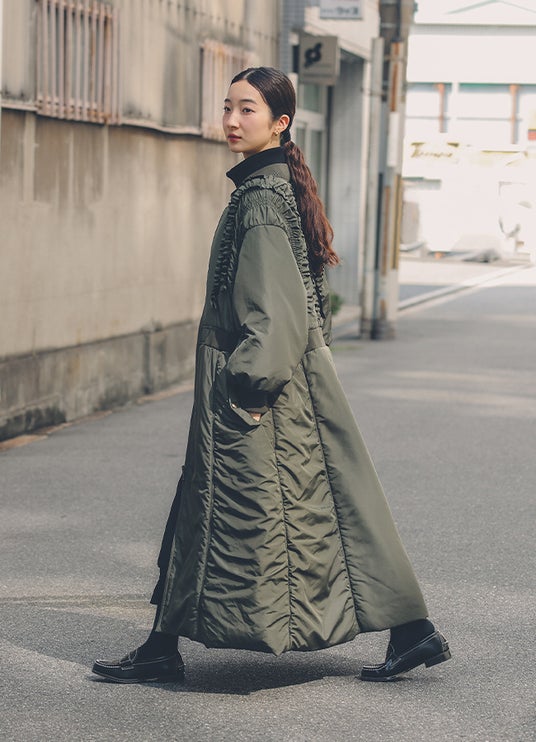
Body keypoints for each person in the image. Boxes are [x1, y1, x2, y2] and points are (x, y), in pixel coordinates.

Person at [92, 67, 451, 684]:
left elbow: (274, 312)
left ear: (280, 122)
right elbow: (303, 302)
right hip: (292, 382)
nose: (232, 121)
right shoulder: (271, 187)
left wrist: (247, 389)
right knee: (325, 508)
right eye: (228, 107)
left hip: (263, 387)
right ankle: (412, 631)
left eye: (247, 110)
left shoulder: (260, 199)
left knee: (239, 513)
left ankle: (161, 649)